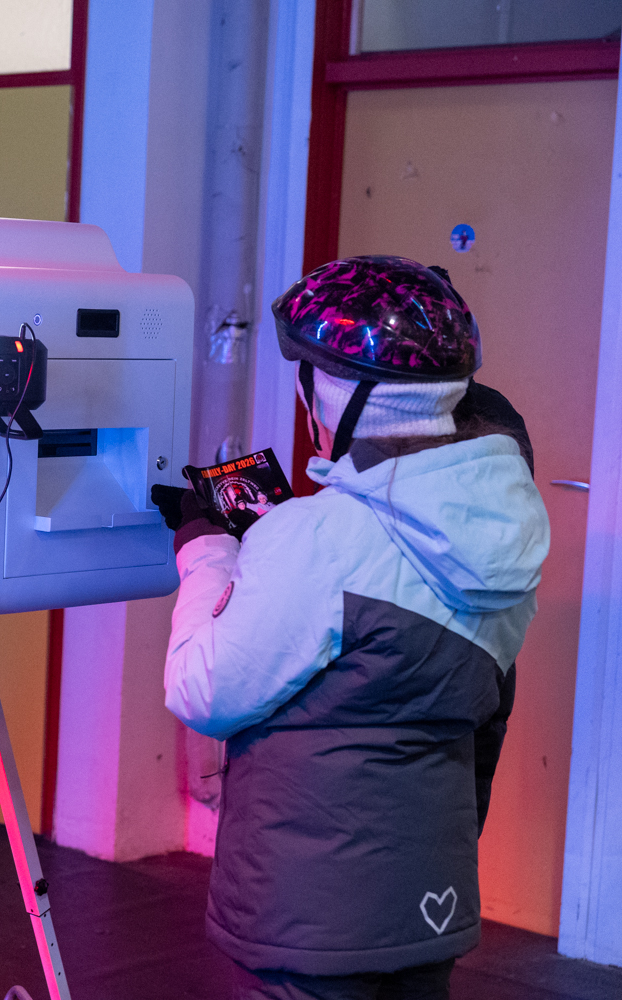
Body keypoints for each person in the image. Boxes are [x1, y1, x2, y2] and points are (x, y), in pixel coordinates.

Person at [157, 255, 549, 1000]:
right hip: (429, 898)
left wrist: (208, 552)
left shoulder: (317, 537)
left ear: (332, 398)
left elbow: (201, 690)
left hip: (313, 914)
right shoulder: (508, 533)